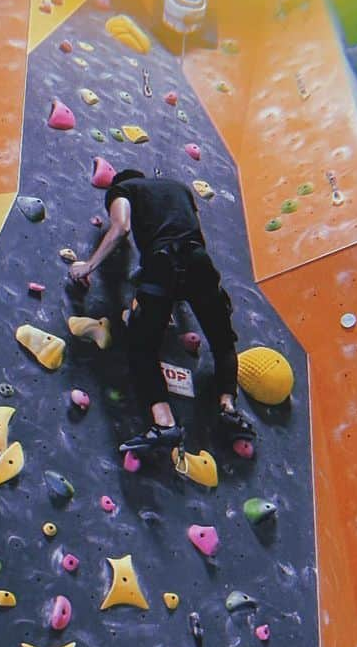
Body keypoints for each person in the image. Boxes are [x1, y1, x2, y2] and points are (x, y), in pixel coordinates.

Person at [69, 169, 253, 453]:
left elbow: (121, 227)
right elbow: (193, 230)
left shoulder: (124, 189)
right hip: (199, 262)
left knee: (142, 347)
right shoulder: (179, 187)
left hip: (162, 263)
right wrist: (177, 305)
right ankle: (227, 406)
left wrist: (88, 265)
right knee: (222, 340)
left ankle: (165, 423)